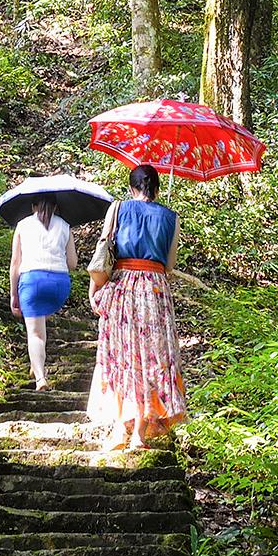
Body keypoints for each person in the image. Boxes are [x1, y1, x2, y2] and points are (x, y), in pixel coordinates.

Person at [86, 163, 186, 448]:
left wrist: (95, 288)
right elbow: (168, 266)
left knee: (122, 356)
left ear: (132, 187)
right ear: (155, 188)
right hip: (155, 292)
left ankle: (119, 428)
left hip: (124, 287)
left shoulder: (118, 208)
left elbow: (103, 251)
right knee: (151, 360)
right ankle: (139, 434)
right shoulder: (171, 217)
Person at [10, 200, 75, 390]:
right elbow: (72, 263)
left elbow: (15, 263)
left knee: (35, 334)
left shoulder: (23, 225)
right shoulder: (65, 226)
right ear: (56, 206)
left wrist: (14, 294)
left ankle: (40, 378)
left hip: (33, 281)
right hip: (59, 284)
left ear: (32, 206)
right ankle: (35, 362)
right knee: (40, 323)